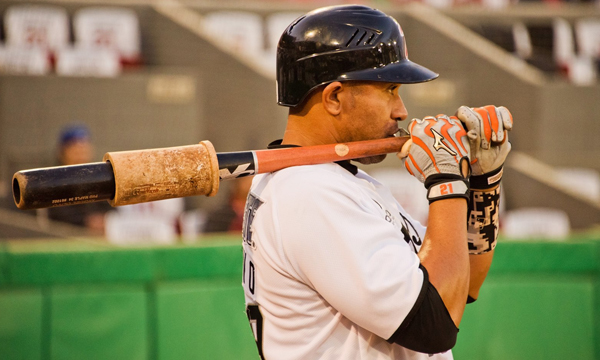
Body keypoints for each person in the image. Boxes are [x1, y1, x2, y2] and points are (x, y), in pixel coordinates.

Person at [241, 5, 513, 360]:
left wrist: (482, 183)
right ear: (334, 97)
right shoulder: (309, 193)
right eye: (389, 90)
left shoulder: (336, 181)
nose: (401, 110)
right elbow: (435, 325)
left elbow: (462, 285)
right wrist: (445, 179)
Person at [45, 124, 112, 234]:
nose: (81, 156)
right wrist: (86, 221)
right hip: (64, 236)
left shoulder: (98, 178)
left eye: (83, 150)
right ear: (63, 152)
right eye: (76, 151)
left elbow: (110, 205)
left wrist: (104, 219)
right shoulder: (54, 181)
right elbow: (58, 214)